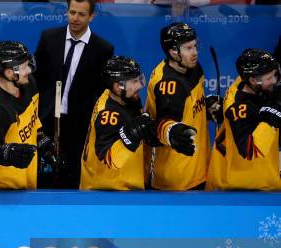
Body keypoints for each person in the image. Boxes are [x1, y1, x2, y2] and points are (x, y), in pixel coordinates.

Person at [34, 0, 114, 188]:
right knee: (42, 180)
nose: (75, 18)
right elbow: (36, 79)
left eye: (81, 14)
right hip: (46, 121)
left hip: (78, 127)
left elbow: (102, 91)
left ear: (91, 16)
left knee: (70, 179)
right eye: (72, 12)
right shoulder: (49, 38)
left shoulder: (103, 48)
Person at [144, 22, 221, 190]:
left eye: (195, 46)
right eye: (188, 48)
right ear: (173, 52)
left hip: (198, 169)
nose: (195, 53)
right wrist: (170, 130)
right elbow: (156, 128)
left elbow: (189, 107)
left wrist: (207, 108)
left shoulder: (192, 67)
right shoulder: (168, 85)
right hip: (176, 179)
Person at [207, 49, 280, 191]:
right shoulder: (238, 106)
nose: (274, 81)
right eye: (269, 78)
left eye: (275, 75)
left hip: (264, 179)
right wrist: (272, 118)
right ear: (253, 80)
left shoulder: (253, 83)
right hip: (239, 188)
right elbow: (250, 149)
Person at [80, 56, 158, 190]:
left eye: (139, 79)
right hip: (107, 193)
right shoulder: (109, 115)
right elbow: (108, 159)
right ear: (117, 87)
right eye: (134, 82)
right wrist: (130, 136)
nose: (139, 85)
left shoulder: (123, 98)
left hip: (120, 188)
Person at [0, 41, 40, 190]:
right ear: (9, 73)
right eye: (24, 67)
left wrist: (41, 136)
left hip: (27, 178)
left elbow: (32, 115)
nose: (29, 70)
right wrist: (4, 154)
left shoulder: (28, 83)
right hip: (2, 188)